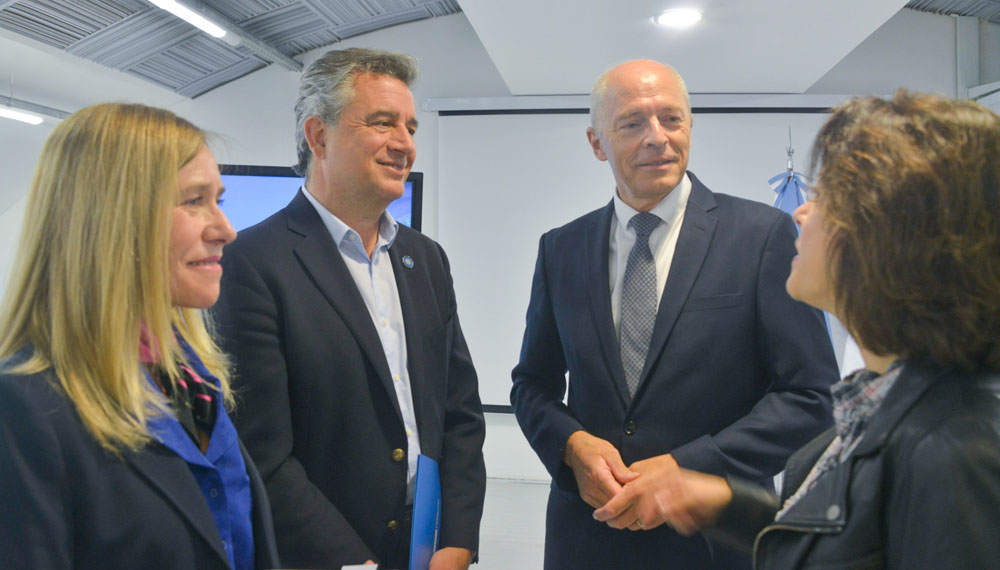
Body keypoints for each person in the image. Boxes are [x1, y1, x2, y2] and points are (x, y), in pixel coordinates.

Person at [593, 90, 1000, 568]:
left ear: (901, 236)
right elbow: (855, 538)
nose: (803, 212)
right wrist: (727, 505)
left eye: (829, 198)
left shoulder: (955, 456)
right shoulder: (877, 411)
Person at [510, 59, 840, 569]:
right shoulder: (561, 249)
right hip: (587, 537)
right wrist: (572, 446)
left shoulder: (760, 236)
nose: (657, 137)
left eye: (671, 119)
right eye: (632, 123)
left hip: (711, 544)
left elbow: (810, 396)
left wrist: (687, 467)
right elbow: (533, 383)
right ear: (597, 143)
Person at [213, 47, 486, 570]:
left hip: (426, 549)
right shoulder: (251, 264)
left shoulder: (425, 259)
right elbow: (260, 453)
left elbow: (459, 412)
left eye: (410, 127)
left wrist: (457, 540)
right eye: (383, 123)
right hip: (322, 555)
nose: (404, 143)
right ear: (319, 136)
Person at [0, 103, 280, 569]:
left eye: (219, 200)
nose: (226, 230)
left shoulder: (190, 378)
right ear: (114, 216)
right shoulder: (25, 409)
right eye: (194, 201)